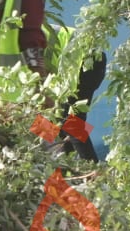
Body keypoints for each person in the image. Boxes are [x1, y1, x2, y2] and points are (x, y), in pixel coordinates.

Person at [44, 25, 107, 162]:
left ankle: (91, 170)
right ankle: (71, 167)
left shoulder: (16, 41)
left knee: (71, 124)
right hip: (87, 60)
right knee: (63, 123)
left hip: (85, 61)